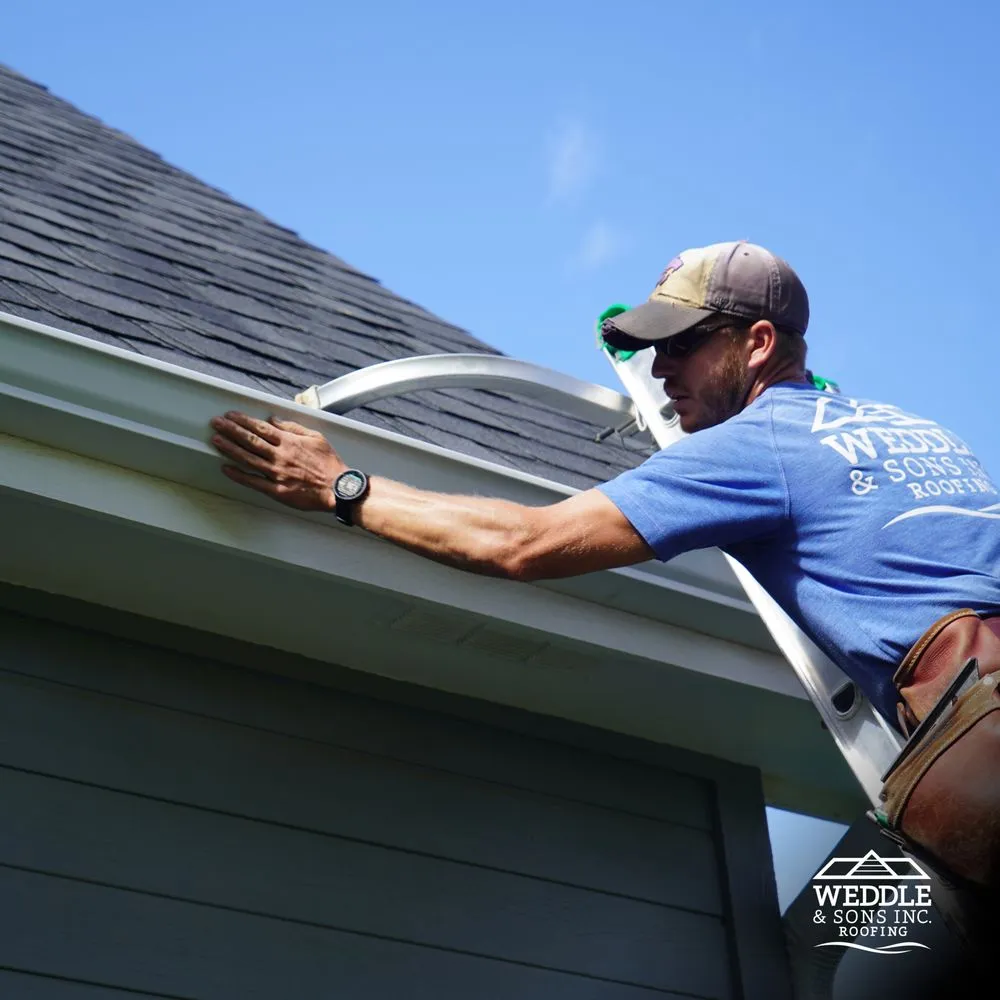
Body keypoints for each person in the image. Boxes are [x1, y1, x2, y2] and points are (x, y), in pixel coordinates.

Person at [210, 242, 1000, 926]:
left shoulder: (757, 448)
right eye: (654, 350)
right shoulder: (923, 432)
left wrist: (339, 487)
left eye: (684, 346)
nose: (660, 372)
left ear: (758, 343)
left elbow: (527, 542)